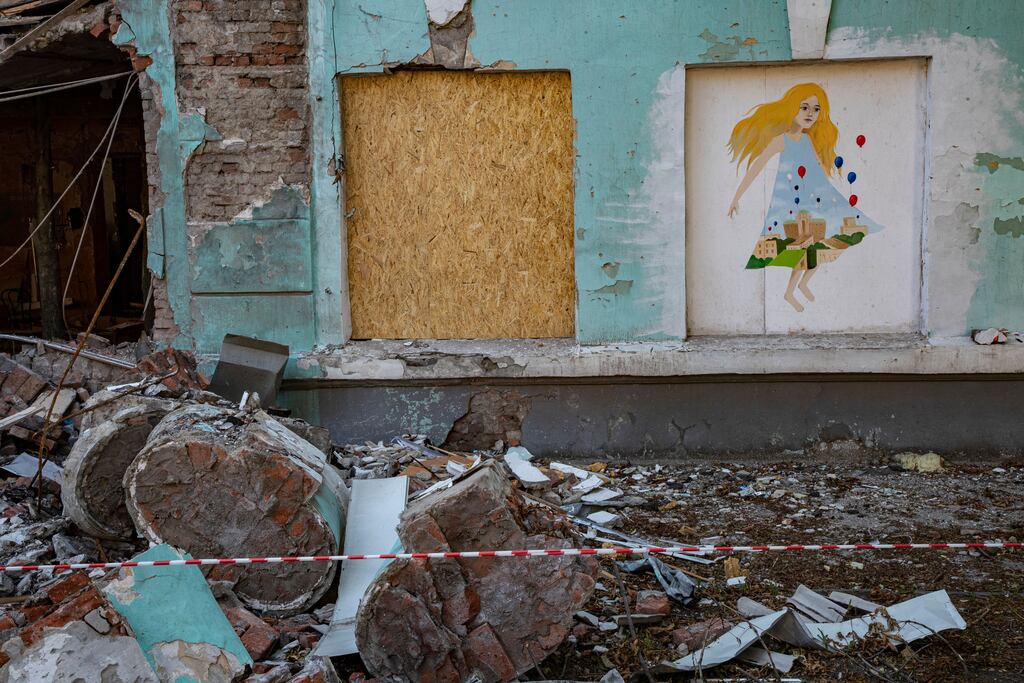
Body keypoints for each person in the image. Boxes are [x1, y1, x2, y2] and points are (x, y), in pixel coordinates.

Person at [727, 83, 881, 312]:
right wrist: (737, 196)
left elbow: (818, 168)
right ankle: (790, 291)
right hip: (792, 204)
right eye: (805, 107)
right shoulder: (781, 140)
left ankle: (804, 283)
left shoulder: (808, 140)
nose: (810, 113)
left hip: (815, 201)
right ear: (792, 109)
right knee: (801, 248)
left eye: (816, 109)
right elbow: (757, 167)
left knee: (823, 244)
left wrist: (834, 195)